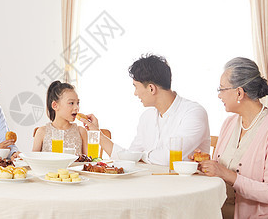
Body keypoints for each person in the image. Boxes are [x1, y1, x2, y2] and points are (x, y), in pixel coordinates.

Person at [196, 57, 268, 218]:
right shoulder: (229, 123)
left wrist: (228, 174)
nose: (219, 95)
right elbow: (220, 170)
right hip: (220, 211)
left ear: (239, 92)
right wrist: (204, 164)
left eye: (222, 89)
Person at [79, 53, 210, 165]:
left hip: (185, 187)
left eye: (136, 87)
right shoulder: (147, 116)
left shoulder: (193, 113)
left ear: (151, 88)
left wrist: (140, 157)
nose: (135, 93)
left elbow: (167, 158)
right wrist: (96, 133)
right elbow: (129, 157)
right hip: (153, 183)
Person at [32, 81, 88, 155]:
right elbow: (33, 160)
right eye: (71, 103)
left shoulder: (81, 132)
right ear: (55, 105)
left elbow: (89, 161)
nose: (76, 107)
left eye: (77, 103)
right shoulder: (42, 132)